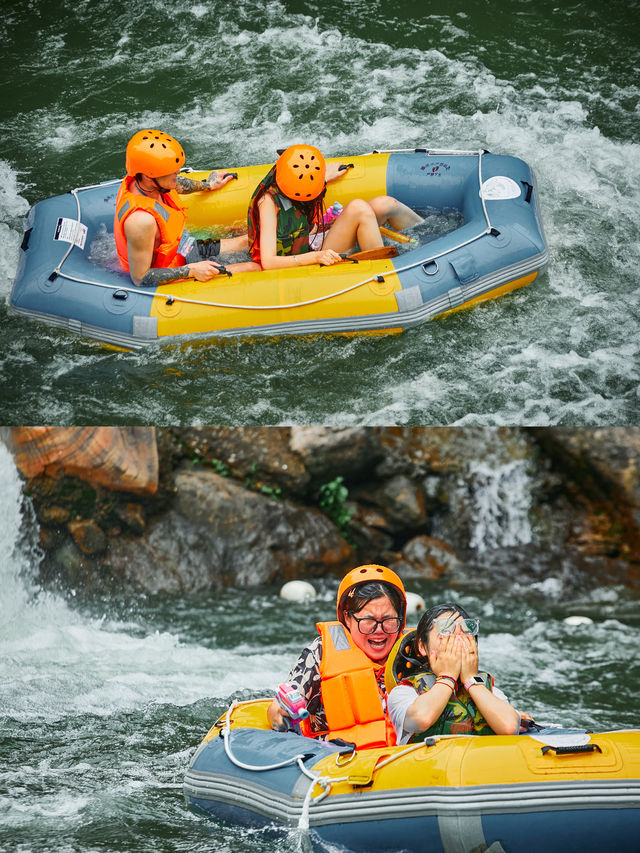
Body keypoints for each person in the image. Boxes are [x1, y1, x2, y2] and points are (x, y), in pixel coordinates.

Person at [266, 565, 407, 749]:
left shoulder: (415, 651)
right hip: (338, 760)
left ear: (401, 618)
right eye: (368, 621)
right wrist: (280, 714)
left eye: (389, 620)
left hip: (404, 760)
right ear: (348, 618)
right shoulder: (321, 652)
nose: (378, 630)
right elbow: (280, 705)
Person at [114, 129, 259, 287]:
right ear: (149, 176)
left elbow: (176, 184)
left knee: (250, 240)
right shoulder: (140, 221)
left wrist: (208, 185)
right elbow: (140, 278)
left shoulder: (143, 181)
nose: (177, 173)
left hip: (183, 248)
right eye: (171, 171)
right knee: (253, 268)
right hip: (172, 271)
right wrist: (189, 271)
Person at [247, 144, 423, 269]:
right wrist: (315, 256)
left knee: (385, 204)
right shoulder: (268, 202)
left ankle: (429, 234)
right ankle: (384, 269)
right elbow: (269, 262)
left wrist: (324, 178)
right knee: (359, 209)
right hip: (306, 258)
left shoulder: (307, 178)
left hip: (314, 238)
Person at [386, 603, 521, 746]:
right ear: (422, 646)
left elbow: (510, 727)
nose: (456, 641)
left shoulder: (491, 691)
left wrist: (471, 680)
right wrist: (447, 677)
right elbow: (421, 719)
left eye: (464, 634)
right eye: (446, 633)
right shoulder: (405, 692)